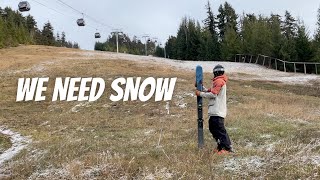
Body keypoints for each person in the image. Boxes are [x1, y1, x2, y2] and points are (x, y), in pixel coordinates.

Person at [195, 64, 233, 155]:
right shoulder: (219, 81)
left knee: (219, 130)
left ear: (215, 72)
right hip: (215, 111)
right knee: (213, 129)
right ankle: (220, 147)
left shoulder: (219, 81)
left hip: (217, 111)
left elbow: (213, 94)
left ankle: (226, 148)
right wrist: (202, 88)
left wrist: (200, 94)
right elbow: (211, 91)